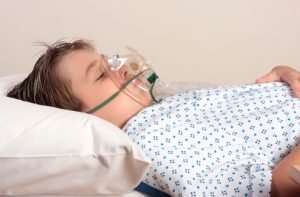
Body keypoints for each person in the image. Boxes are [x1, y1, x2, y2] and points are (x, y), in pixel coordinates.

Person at [6, 40, 300, 197]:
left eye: (109, 59)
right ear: (80, 118)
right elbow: (280, 187)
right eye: (99, 74)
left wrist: (282, 76)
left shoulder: (168, 107)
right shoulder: (151, 142)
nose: (121, 67)